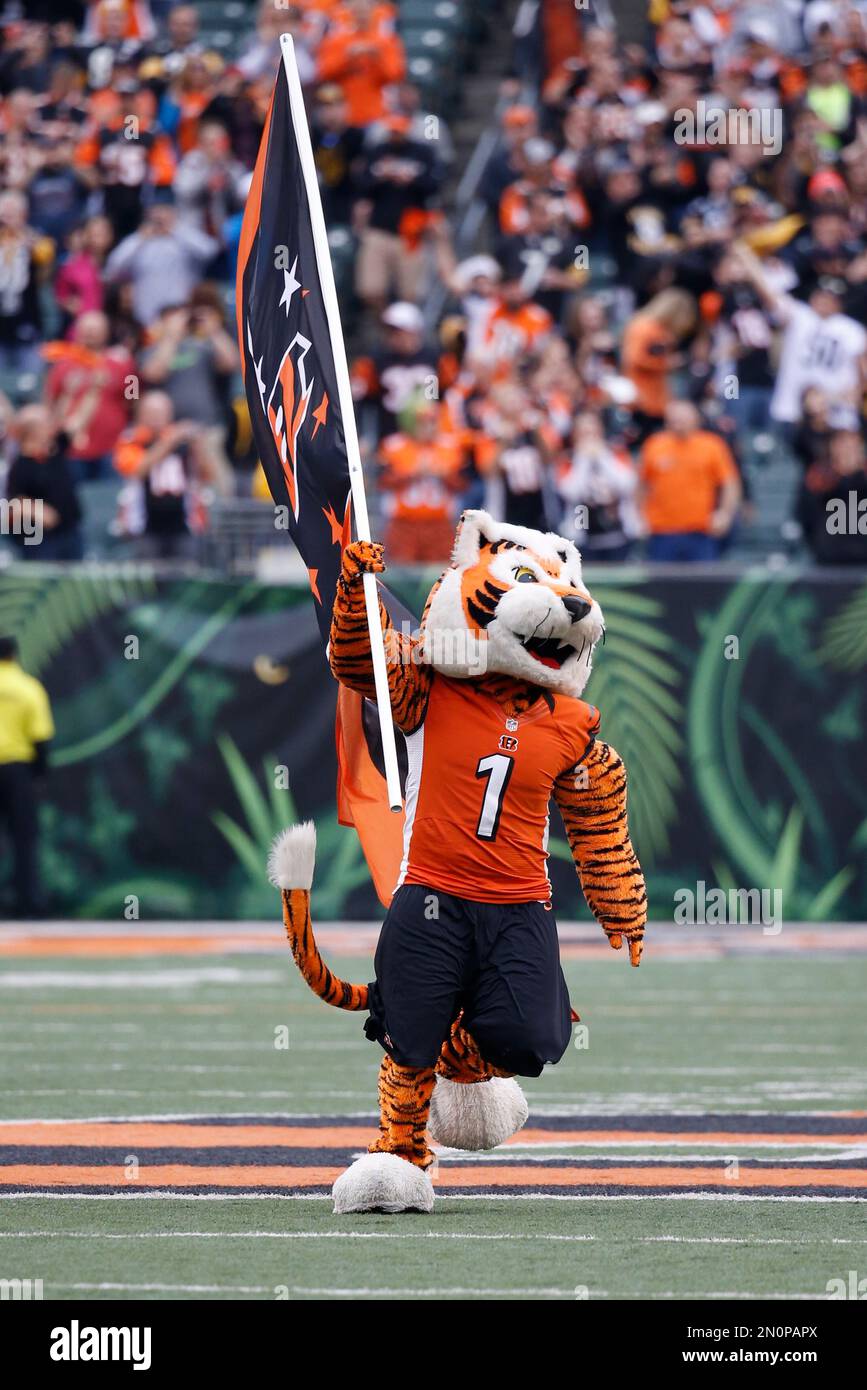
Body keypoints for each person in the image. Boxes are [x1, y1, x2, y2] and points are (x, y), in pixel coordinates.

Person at [113, 389, 215, 559]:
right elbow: (138, 470)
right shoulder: (132, 439)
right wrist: (170, 441)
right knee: (149, 579)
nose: (156, 418)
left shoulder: (183, 441)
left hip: (184, 525)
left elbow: (207, 475)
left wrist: (200, 447)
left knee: (186, 576)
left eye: (160, 413)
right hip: (145, 527)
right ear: (141, 414)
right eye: (151, 413)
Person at [639, 399, 742, 561]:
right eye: (674, 419)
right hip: (662, 530)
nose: (678, 423)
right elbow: (642, 484)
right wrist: (640, 515)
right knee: (660, 584)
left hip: (700, 530)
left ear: (696, 420)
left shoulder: (712, 445)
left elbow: (730, 483)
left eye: (683, 419)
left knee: (702, 584)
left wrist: (724, 513)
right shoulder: (655, 445)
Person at [0, 635, 54, 919]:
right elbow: (40, 738)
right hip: (17, 770)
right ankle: (27, 905)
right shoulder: (28, 688)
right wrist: (39, 776)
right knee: (24, 839)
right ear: (14, 655)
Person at [5, 403, 85, 560]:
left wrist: (92, 392)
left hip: (70, 531)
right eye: (46, 423)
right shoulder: (20, 465)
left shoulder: (54, 453)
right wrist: (36, 510)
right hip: (40, 539)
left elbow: (77, 423)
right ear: (33, 431)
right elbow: (13, 501)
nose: (50, 427)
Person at [558, 411, 638, 562]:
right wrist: (582, 459)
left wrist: (602, 456)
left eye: (593, 432)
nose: (589, 437)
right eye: (583, 432)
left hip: (618, 533)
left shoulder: (616, 454)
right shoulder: (568, 459)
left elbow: (626, 485)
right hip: (583, 536)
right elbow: (571, 493)